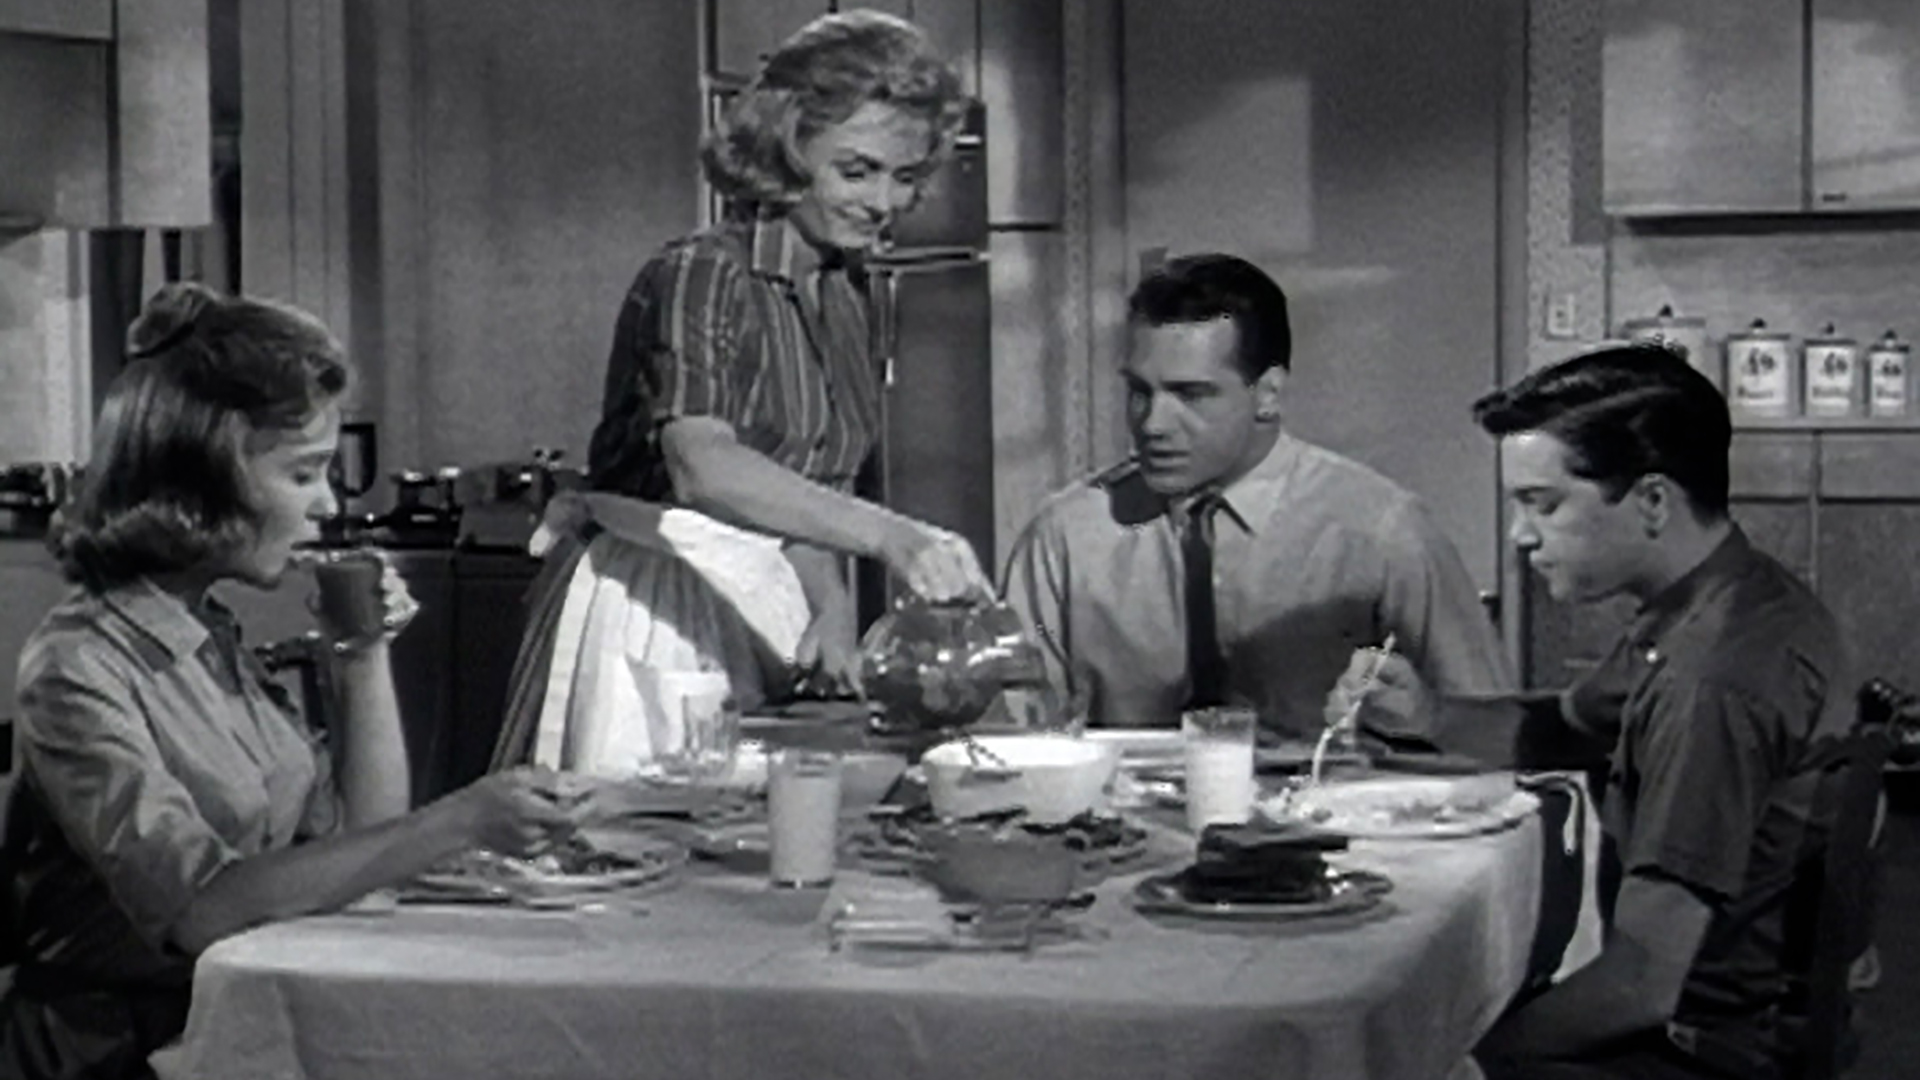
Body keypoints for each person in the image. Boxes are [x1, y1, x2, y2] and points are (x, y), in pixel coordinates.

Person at [0, 283, 583, 1080]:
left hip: (237, 1032)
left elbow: (357, 851)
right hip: (113, 1060)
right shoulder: (77, 668)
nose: (327, 503)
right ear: (203, 479)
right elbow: (201, 910)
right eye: (304, 473)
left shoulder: (214, 639)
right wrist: (462, 820)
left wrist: (363, 653)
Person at [1327, 345, 1856, 1079]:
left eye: (1542, 504)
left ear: (1652, 502)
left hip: (1696, 1053)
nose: (1520, 535)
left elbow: (1640, 985)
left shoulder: (1710, 680)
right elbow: (1566, 727)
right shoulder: (1727, 600)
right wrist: (1428, 714)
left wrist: (1461, 1061)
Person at [490, 9, 991, 773]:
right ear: (785, 150)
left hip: (759, 604)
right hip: (649, 606)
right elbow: (705, 467)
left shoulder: (848, 292)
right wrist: (894, 537)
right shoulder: (703, 272)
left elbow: (802, 487)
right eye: (856, 171)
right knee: (634, 824)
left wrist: (830, 604)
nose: (884, 202)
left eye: (904, 176)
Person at [999, 253, 1510, 736]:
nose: (1153, 424)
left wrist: (1422, 719)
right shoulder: (1066, 538)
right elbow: (1011, 738)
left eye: (1191, 395)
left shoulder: (1381, 533)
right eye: (1140, 392)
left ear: (1268, 394)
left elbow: (1492, 733)